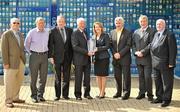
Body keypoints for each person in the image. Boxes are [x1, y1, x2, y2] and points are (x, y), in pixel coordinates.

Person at [150, 19, 177, 107]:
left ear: (164, 25)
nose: (158, 25)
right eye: (157, 24)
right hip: (155, 63)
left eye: (161, 24)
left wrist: (171, 63)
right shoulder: (156, 34)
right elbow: (151, 46)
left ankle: (166, 99)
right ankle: (159, 97)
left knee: (167, 83)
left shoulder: (169, 34)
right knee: (157, 82)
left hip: (166, 64)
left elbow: (173, 50)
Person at [1, 18, 26, 108]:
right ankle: (8, 100)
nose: (16, 24)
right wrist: (5, 62)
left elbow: (21, 48)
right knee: (9, 82)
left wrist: (24, 58)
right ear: (10, 24)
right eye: (14, 23)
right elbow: (4, 50)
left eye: (17, 23)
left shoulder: (20, 34)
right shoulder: (6, 34)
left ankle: (15, 98)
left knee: (18, 80)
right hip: (10, 62)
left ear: (19, 24)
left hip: (20, 61)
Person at [48, 15, 73, 100]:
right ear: (57, 22)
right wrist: (50, 56)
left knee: (67, 77)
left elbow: (71, 45)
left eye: (62, 21)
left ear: (64, 22)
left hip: (67, 58)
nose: (61, 23)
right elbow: (50, 45)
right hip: (56, 58)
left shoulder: (70, 30)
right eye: (59, 21)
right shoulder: (52, 31)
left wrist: (72, 57)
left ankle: (65, 95)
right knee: (57, 77)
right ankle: (57, 95)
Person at [24, 17, 49, 103]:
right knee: (33, 77)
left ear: (44, 24)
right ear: (36, 24)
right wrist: (30, 53)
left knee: (43, 77)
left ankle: (40, 95)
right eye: (39, 23)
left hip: (45, 56)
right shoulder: (32, 32)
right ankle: (34, 95)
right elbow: (26, 44)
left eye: (42, 23)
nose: (41, 24)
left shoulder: (47, 32)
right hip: (34, 56)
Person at [132, 15, 155, 101]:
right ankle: (141, 93)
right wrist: (136, 52)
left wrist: (142, 52)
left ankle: (150, 94)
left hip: (147, 58)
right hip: (138, 58)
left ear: (147, 21)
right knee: (141, 77)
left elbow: (151, 44)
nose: (142, 23)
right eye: (141, 21)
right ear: (139, 22)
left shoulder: (152, 31)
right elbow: (133, 44)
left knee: (147, 77)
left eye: (144, 21)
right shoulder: (136, 32)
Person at [110, 17, 132, 100]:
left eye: (119, 23)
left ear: (123, 23)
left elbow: (128, 45)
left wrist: (120, 54)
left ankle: (126, 93)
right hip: (115, 58)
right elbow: (110, 45)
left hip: (125, 58)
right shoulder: (112, 32)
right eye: (116, 23)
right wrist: (114, 54)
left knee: (126, 76)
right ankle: (118, 92)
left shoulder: (128, 32)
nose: (118, 24)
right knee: (117, 76)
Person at [71, 18, 93, 100]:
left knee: (87, 78)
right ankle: (78, 95)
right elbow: (75, 47)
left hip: (87, 59)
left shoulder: (86, 32)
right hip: (79, 60)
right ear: (77, 24)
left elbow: (88, 44)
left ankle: (87, 93)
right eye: (81, 23)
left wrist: (91, 51)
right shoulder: (75, 33)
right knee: (78, 78)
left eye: (84, 23)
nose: (82, 24)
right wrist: (86, 52)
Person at [92, 22, 110, 99]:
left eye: (98, 27)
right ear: (94, 28)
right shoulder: (93, 36)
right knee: (97, 76)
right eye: (96, 27)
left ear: (101, 28)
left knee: (103, 76)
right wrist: (92, 57)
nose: (97, 28)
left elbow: (107, 46)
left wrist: (98, 49)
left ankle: (102, 93)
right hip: (97, 59)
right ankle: (101, 92)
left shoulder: (105, 35)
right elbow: (92, 47)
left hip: (104, 58)